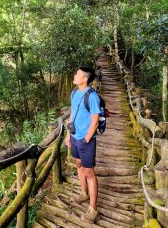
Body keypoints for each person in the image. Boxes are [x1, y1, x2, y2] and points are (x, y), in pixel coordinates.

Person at [64, 66, 100, 223]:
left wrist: (86, 139)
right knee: (78, 164)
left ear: (85, 79)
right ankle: (84, 193)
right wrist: (68, 134)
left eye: (77, 74)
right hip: (74, 137)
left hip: (86, 140)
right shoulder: (74, 93)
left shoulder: (92, 96)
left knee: (89, 172)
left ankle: (93, 208)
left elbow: (95, 121)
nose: (74, 75)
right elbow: (72, 114)